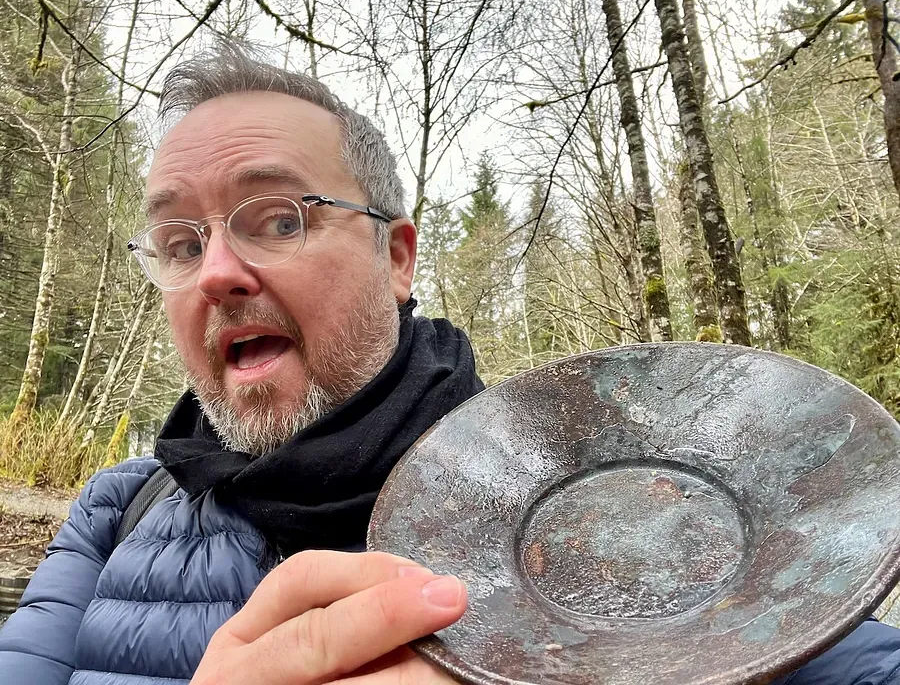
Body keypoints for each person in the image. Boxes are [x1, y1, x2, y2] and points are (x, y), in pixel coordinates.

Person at [0, 45, 898, 685]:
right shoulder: (116, 511)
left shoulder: (596, 498)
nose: (218, 273)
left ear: (396, 257)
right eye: (179, 242)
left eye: (277, 219)